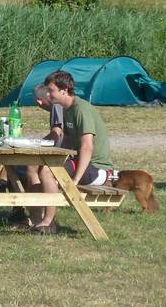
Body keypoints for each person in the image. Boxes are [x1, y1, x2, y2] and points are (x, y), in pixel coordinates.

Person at [31, 71, 114, 234]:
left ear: (64, 90)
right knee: (33, 167)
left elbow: (87, 147)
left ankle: (49, 222)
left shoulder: (81, 109)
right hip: (81, 162)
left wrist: (74, 180)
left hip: (97, 168)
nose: (47, 94)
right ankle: (34, 218)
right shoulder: (66, 109)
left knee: (47, 171)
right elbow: (68, 141)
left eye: (51, 90)